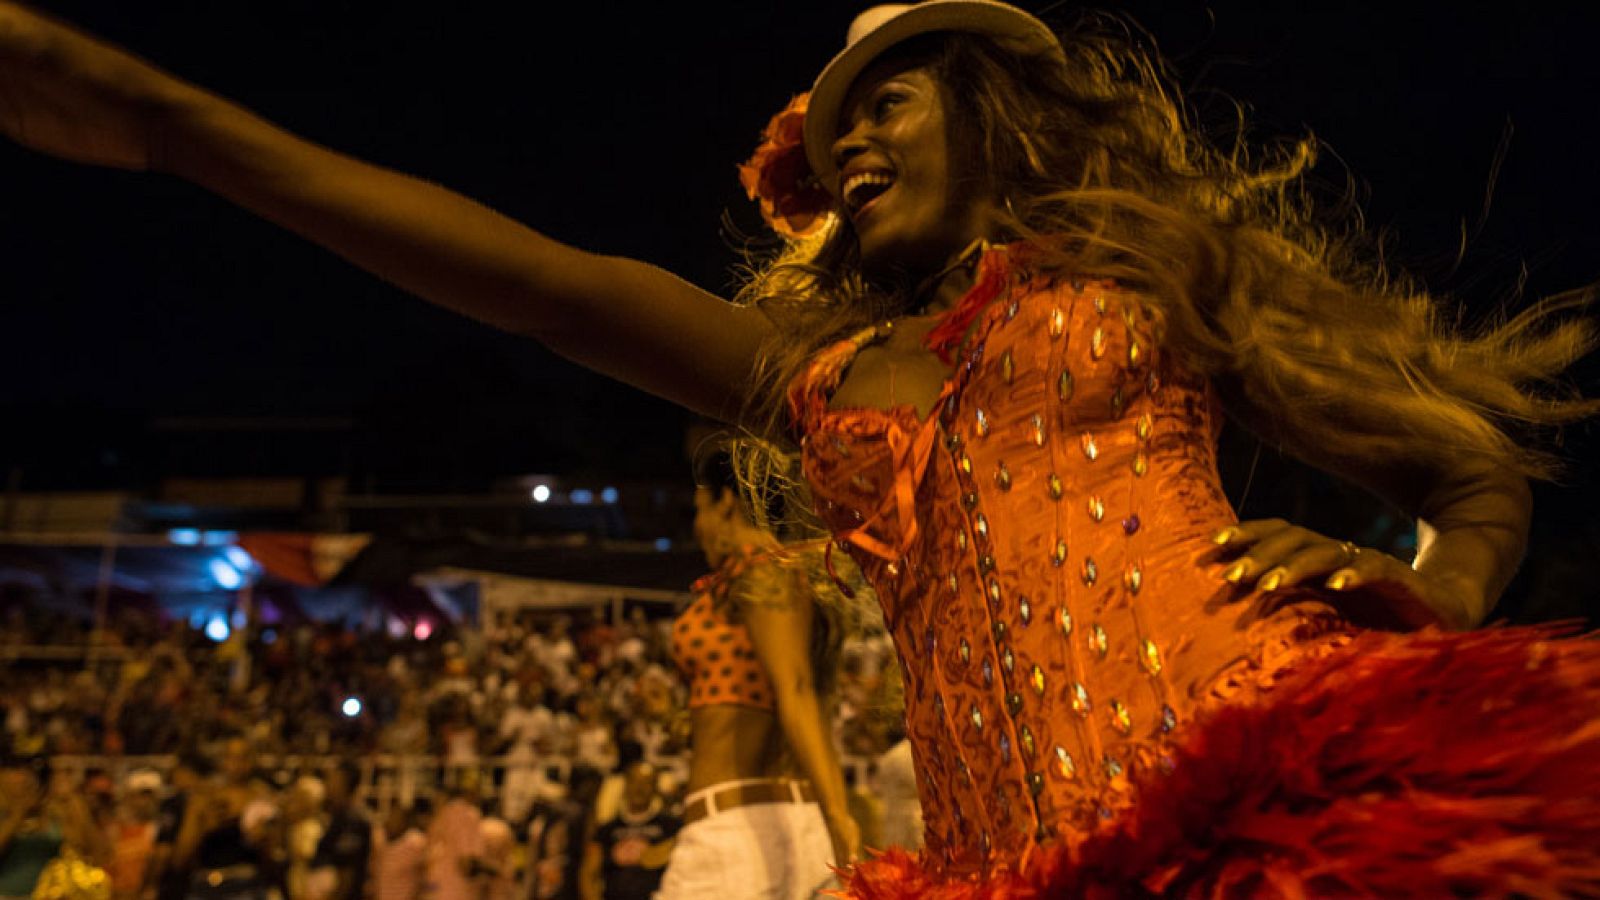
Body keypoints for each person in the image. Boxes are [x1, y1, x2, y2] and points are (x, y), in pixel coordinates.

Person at [1, 1, 1598, 895]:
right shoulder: (815, 372)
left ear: (999, 112)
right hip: (992, 870)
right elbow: (539, 287)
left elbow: (1474, 476)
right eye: (838, 137)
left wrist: (1436, 594)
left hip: (1265, 813)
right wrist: (178, 132)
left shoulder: (1152, 279)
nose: (858, 144)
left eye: (895, 104)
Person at [652, 450, 861, 898]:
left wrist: (841, 821)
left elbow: (796, 688)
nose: (697, 526)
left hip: (738, 836)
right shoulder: (752, 576)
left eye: (699, 509)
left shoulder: (765, 571)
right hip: (758, 825)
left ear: (725, 502)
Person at [577, 763, 677, 900]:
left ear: (655, 788)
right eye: (634, 781)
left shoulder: (670, 827)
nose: (639, 789)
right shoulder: (606, 830)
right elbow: (588, 874)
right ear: (625, 785)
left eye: (646, 783)